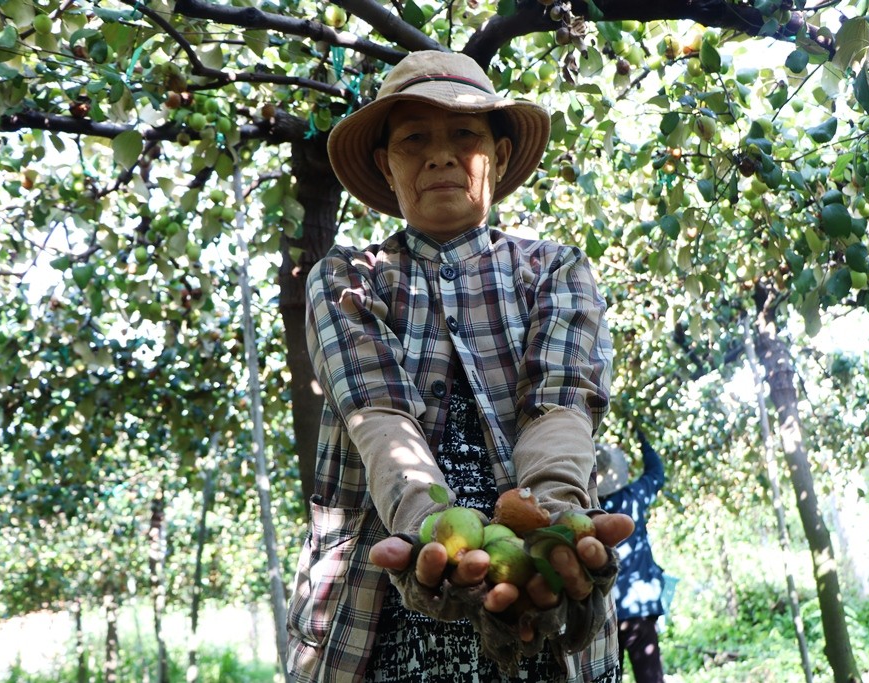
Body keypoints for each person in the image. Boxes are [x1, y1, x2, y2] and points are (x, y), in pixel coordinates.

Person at [284, 50, 634, 683]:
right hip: (377, 611)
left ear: (498, 159)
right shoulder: (347, 278)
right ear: (386, 167)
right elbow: (379, 417)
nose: (439, 155)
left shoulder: (554, 270)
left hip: (537, 612)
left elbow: (560, 406)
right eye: (414, 138)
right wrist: (429, 532)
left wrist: (551, 517)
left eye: (464, 136)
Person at [595, 431, 669, 683]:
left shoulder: (586, 512)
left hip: (604, 610)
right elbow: (656, 474)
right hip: (639, 606)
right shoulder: (634, 498)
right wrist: (644, 441)